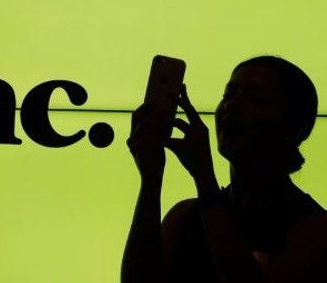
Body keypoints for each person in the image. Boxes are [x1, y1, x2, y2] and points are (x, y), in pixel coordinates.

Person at [121, 56, 327, 282]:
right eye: (228, 95)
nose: (232, 105)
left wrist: (204, 176)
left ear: (296, 127)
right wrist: (151, 179)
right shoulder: (184, 216)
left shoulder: (315, 230)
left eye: (256, 99)